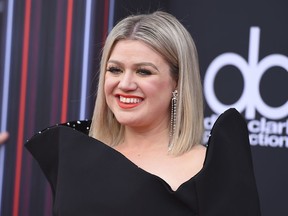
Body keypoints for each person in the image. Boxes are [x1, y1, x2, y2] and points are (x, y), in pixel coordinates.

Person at [26, 11, 261, 215]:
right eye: (115, 69)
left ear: (177, 83)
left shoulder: (208, 168)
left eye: (144, 72)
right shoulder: (74, 153)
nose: (125, 83)